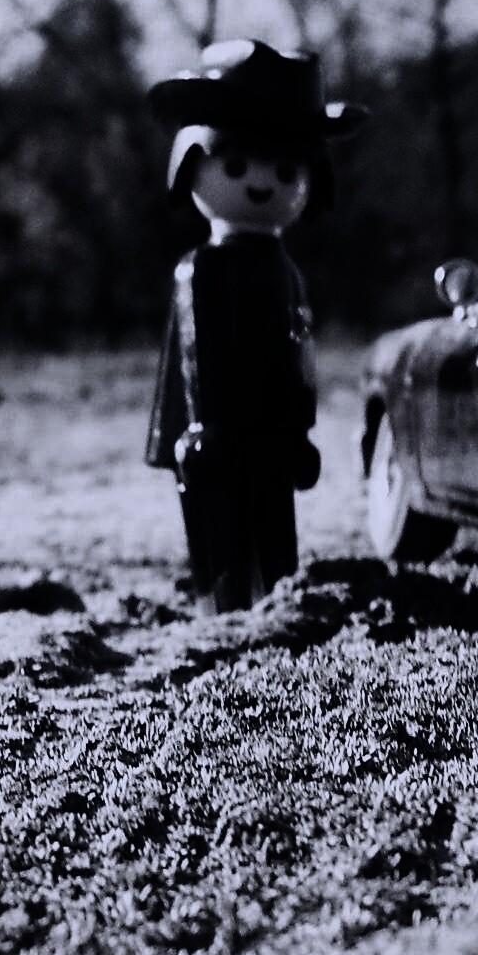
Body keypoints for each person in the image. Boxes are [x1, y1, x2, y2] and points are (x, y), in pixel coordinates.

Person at [144, 40, 366, 612]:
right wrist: (203, 425)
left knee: (273, 527)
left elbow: (300, 351)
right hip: (215, 436)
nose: (262, 183)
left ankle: (276, 602)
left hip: (272, 429)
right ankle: (222, 608)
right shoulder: (201, 268)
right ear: (191, 162)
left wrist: (300, 426)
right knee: (218, 531)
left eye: (286, 169)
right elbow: (197, 353)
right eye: (236, 165)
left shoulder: (286, 271)